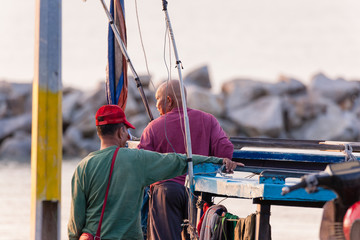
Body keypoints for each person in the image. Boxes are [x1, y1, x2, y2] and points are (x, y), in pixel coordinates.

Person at [67, 104, 241, 240]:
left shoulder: (83, 166)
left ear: (99, 133)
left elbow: (75, 222)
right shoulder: (137, 160)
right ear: (121, 131)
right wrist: (219, 161)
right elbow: (179, 160)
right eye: (126, 131)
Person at [138, 80, 236, 240]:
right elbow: (225, 151)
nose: (155, 105)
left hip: (167, 192)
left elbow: (141, 164)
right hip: (199, 191)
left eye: (158, 99)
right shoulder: (208, 120)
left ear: (168, 100)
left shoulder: (153, 127)